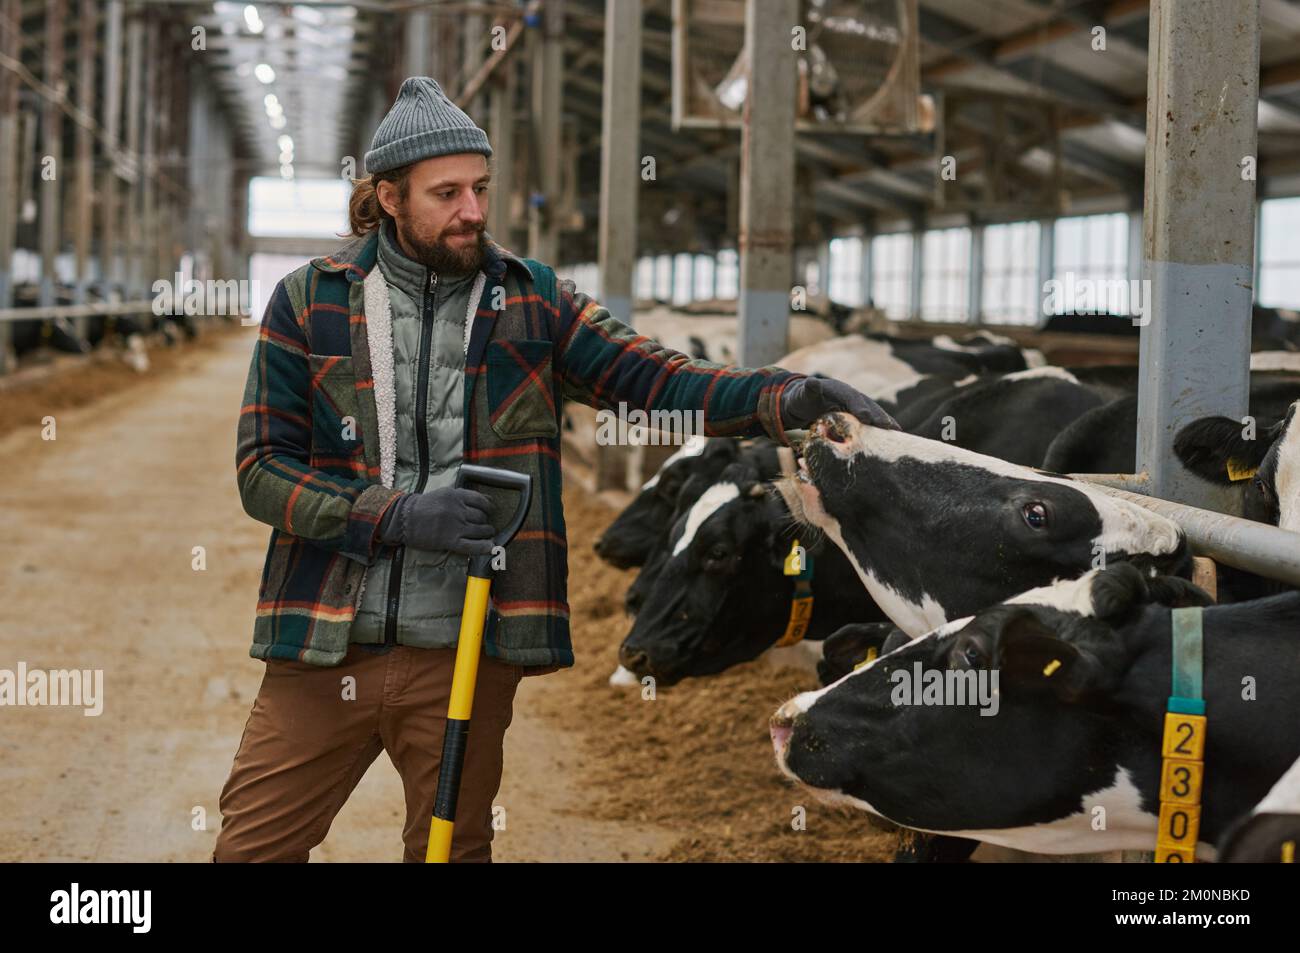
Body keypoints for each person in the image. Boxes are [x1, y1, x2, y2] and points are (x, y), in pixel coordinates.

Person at [213, 76, 895, 863]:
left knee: (450, 854)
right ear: (390, 198)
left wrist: (786, 394)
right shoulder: (309, 302)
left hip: (466, 645)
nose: (473, 209)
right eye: (447, 193)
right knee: (251, 850)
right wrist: (390, 514)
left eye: (481, 188)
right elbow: (261, 470)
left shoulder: (533, 302)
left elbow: (659, 379)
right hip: (323, 640)